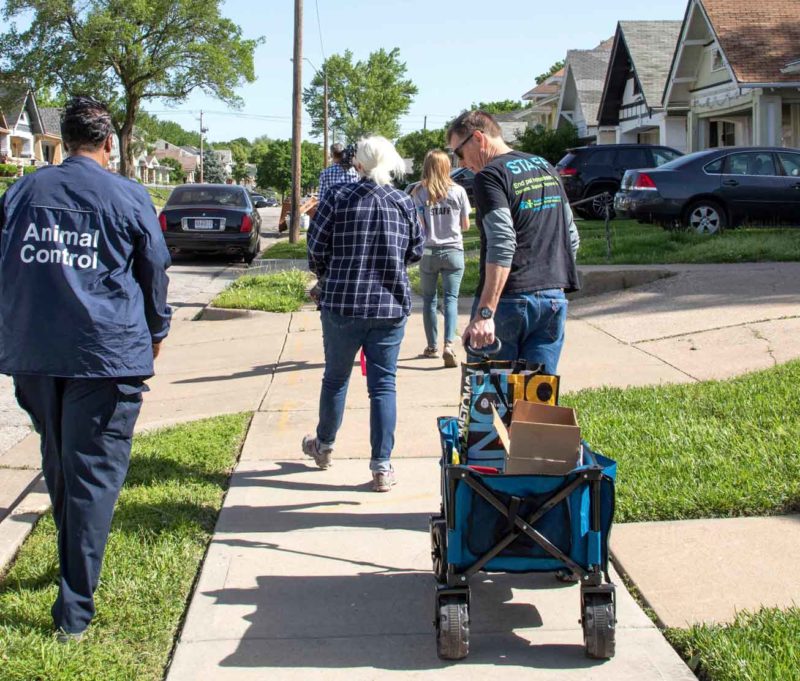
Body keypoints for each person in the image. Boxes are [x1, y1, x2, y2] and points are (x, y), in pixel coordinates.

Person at [0, 96, 171, 641]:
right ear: (107, 144)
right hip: (104, 355)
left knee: (58, 457)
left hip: (36, 352)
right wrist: (158, 327)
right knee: (91, 474)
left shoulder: (23, 189)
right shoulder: (126, 193)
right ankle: (74, 610)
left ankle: (71, 564)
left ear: (66, 139)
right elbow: (155, 267)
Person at [303, 136, 423, 492]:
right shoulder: (403, 202)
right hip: (389, 306)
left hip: (342, 302)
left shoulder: (337, 199)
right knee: (383, 386)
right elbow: (415, 252)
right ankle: (382, 467)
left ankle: (323, 447)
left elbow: (315, 250)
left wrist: (328, 274)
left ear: (358, 164)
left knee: (336, 378)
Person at [446, 110, 580, 373]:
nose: (460, 163)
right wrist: (551, 283)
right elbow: (571, 235)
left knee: (486, 399)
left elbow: (503, 241)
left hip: (509, 302)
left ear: (478, 138)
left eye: (459, 153)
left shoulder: (490, 176)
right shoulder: (545, 166)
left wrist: (485, 314)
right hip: (552, 299)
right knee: (536, 405)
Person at [412, 149, 470, 368]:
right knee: (451, 299)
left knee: (429, 300)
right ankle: (449, 344)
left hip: (429, 252)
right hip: (454, 251)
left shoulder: (419, 192)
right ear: (448, 166)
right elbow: (465, 225)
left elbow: (420, 227)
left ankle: (431, 347)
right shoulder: (459, 191)